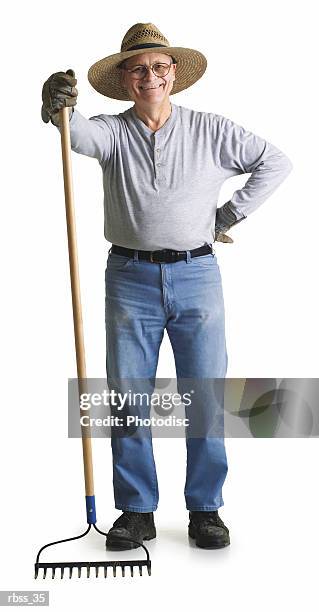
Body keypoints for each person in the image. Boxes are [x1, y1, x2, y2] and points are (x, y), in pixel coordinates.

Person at [41, 22, 293, 551]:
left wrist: (227, 215)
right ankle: (136, 510)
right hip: (129, 278)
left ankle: (206, 508)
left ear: (174, 72)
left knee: (205, 395)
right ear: (124, 79)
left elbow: (275, 162)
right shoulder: (112, 132)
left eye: (158, 65)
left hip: (198, 274)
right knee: (129, 395)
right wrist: (58, 104)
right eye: (137, 68)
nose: (149, 75)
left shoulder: (212, 129)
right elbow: (75, 131)